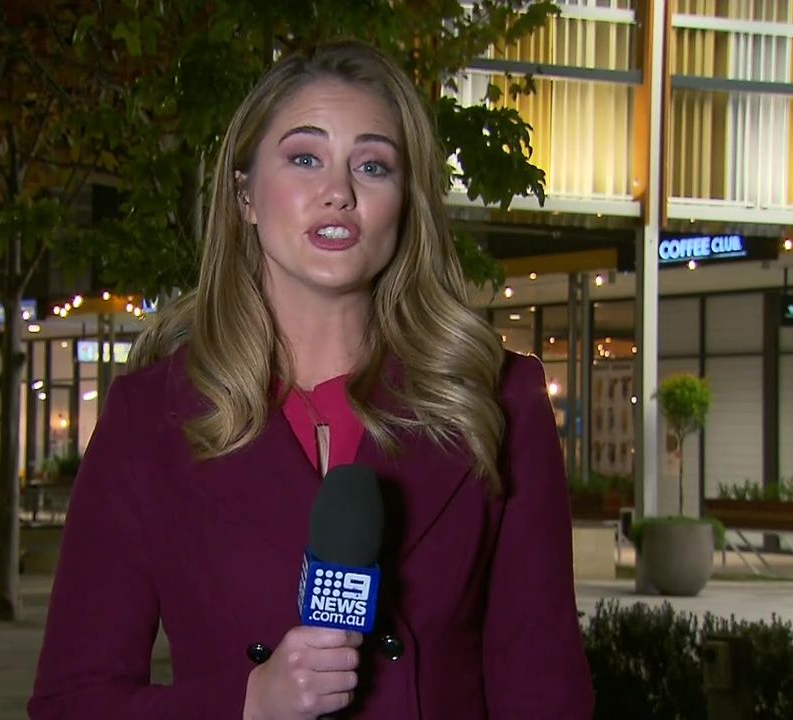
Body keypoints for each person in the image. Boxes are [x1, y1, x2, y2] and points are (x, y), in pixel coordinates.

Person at [29, 40, 593, 719]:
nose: (339, 192)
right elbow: (72, 702)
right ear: (245, 194)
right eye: (304, 158)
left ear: (406, 204)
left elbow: (544, 688)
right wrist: (245, 705)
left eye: (373, 166)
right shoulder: (150, 418)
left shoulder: (497, 401)